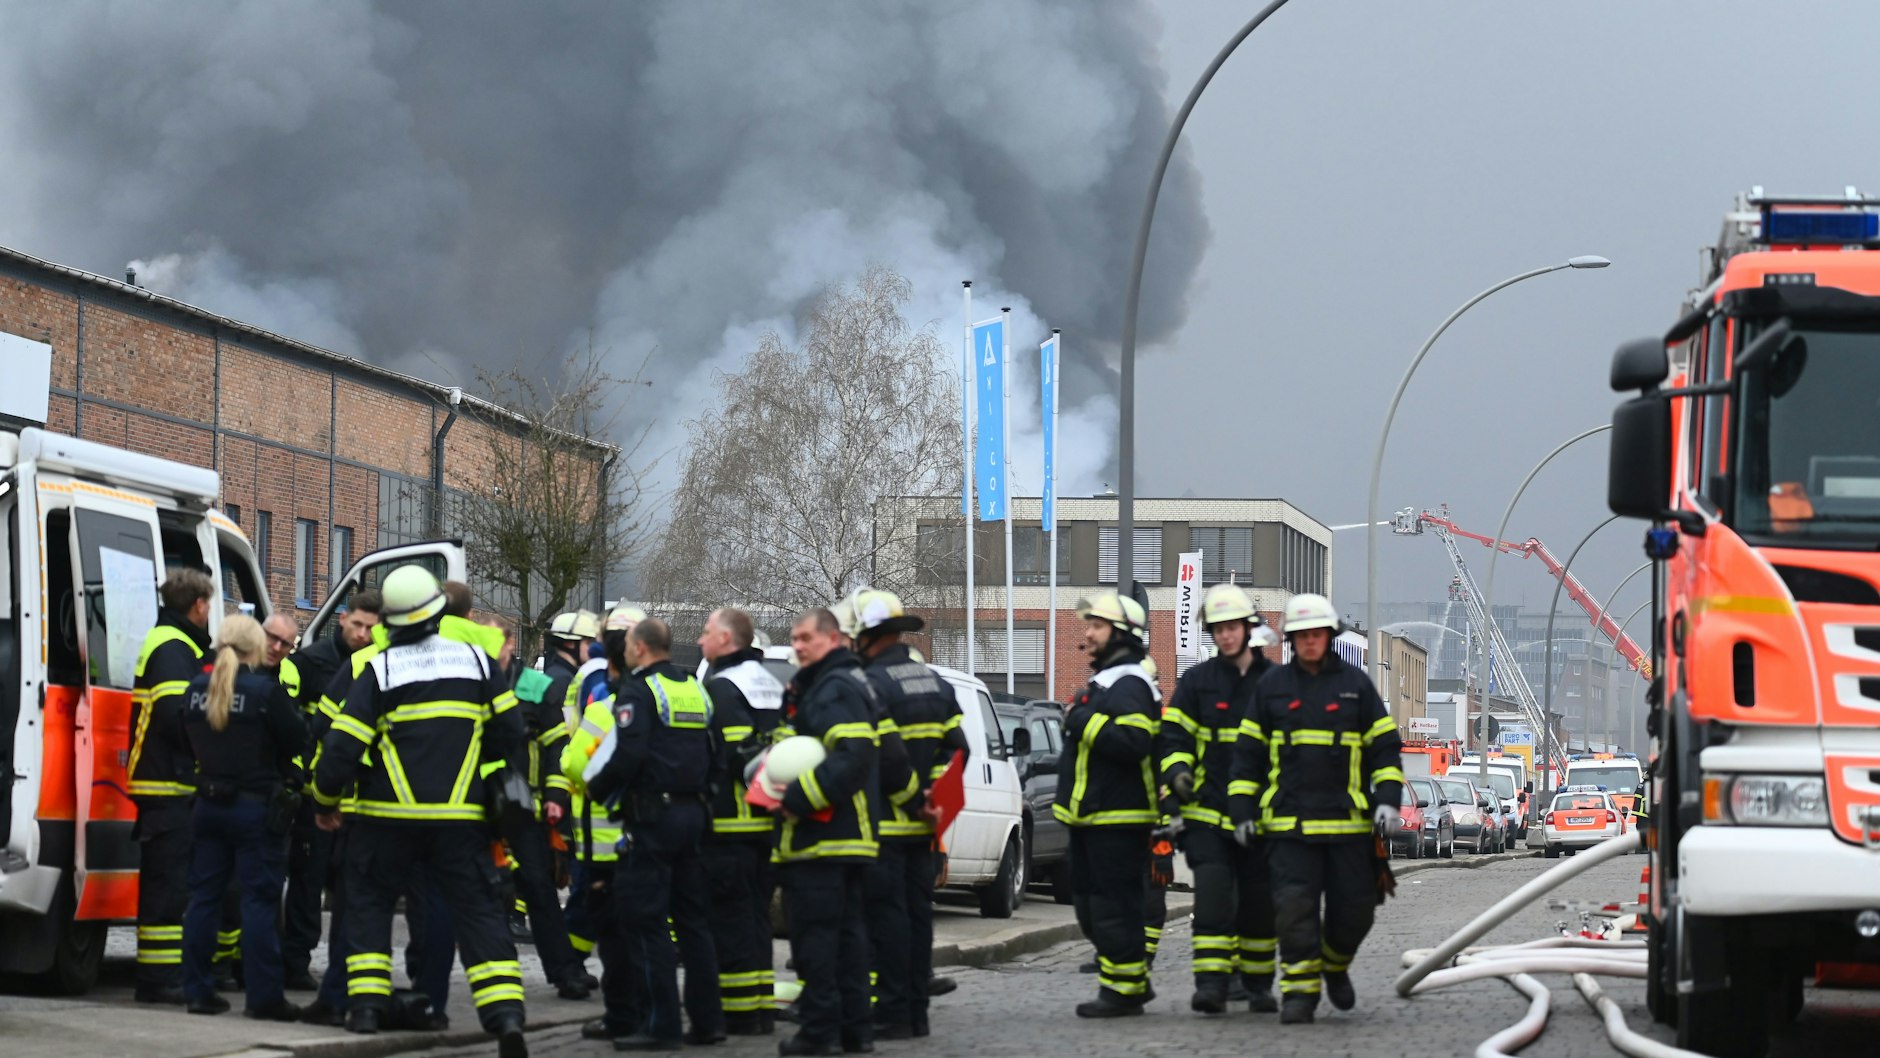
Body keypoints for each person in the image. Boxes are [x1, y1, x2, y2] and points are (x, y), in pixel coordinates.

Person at [310, 565, 531, 1058]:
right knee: (476, 912)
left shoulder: (380, 669)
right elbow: (512, 734)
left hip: (384, 819)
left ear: (391, 620)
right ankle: (506, 1016)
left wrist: (324, 803)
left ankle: (364, 1010)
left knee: (368, 905)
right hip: (459, 820)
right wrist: (492, 788)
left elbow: (342, 748)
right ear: (435, 610)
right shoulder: (478, 662)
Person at [1229, 593, 1405, 1025]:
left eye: (1317, 635)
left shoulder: (1356, 686)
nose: (1310, 642)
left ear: (1330, 636)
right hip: (1288, 828)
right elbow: (1247, 756)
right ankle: (1300, 995)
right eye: (1302, 635)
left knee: (1355, 911)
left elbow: (1384, 749)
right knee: (1293, 912)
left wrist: (1386, 803)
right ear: (1291, 640)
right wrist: (1242, 810)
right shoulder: (1271, 687)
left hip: (1348, 827)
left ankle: (1335, 963)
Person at [583, 618, 723, 1050]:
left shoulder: (638, 690)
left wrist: (597, 788)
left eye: (626, 644)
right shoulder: (694, 688)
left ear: (640, 648)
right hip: (694, 816)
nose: (623, 651)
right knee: (694, 923)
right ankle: (707, 1022)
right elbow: (715, 752)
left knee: (646, 924)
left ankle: (660, 1027)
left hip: (652, 820)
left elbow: (629, 753)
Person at [176, 614, 306, 1020]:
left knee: (203, 900)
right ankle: (263, 997)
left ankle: (197, 991)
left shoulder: (197, 689)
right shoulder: (265, 691)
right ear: (254, 649)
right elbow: (298, 738)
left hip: (207, 806)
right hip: (254, 810)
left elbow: (184, 741)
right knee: (258, 902)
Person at [849, 589, 966, 1041]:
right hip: (925, 831)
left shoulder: (870, 685)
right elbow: (959, 751)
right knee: (919, 918)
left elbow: (885, 759)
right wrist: (933, 804)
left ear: (867, 636)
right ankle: (916, 1012)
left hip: (882, 827)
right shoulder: (936, 683)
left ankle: (893, 1012)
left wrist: (913, 798)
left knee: (886, 921)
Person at [1160, 583, 1280, 1014]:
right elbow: (1173, 736)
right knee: (1212, 900)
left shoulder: (1275, 684)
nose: (1225, 636)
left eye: (1232, 627)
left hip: (1261, 818)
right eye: (1218, 629)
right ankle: (1210, 984)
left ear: (1249, 628)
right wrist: (1177, 771)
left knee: (1258, 907)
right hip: (1206, 813)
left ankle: (1257, 985)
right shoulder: (1197, 682)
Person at [774, 608, 880, 1056]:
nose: (797, 646)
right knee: (846, 939)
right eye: (794, 639)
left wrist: (796, 798)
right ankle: (854, 1031)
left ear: (833, 639)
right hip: (843, 838)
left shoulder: (835, 687)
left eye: (806, 638)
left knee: (816, 940)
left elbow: (852, 756)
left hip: (825, 837)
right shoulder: (833, 683)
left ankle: (819, 1032)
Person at [1054, 589, 1161, 1018]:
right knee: (1091, 904)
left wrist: (1083, 719)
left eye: (1097, 626)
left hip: (1117, 817)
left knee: (1111, 906)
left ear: (1122, 634)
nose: (1089, 633)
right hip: (1093, 817)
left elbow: (1134, 742)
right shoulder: (1109, 681)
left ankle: (1122, 992)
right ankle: (1132, 985)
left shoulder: (1129, 683)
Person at [127, 569, 216, 1004]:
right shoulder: (172, 647)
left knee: (171, 881)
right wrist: (212, 749)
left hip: (169, 782)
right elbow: (176, 715)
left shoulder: (171, 642)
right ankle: (158, 979)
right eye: (209, 605)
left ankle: (162, 974)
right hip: (167, 783)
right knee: (167, 884)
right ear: (198, 605)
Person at [697, 606, 786, 1037]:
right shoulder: (770, 683)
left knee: (730, 919)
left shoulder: (722, 687)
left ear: (728, 640)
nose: (700, 640)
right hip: (766, 823)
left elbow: (733, 757)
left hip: (729, 824)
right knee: (756, 917)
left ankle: (740, 1012)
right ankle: (762, 1007)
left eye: (707, 632)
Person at [500, 610, 590, 1000]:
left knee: (540, 889)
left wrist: (555, 796)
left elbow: (557, 745)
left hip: (527, 808)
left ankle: (565, 972)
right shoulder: (466, 681)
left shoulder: (536, 686)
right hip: (473, 807)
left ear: (509, 646)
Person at [564, 605, 644, 994]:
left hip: (595, 810)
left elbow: (577, 748)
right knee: (594, 898)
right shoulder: (609, 685)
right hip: (607, 815)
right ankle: (572, 966)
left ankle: (571, 965)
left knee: (592, 896)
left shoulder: (594, 680)